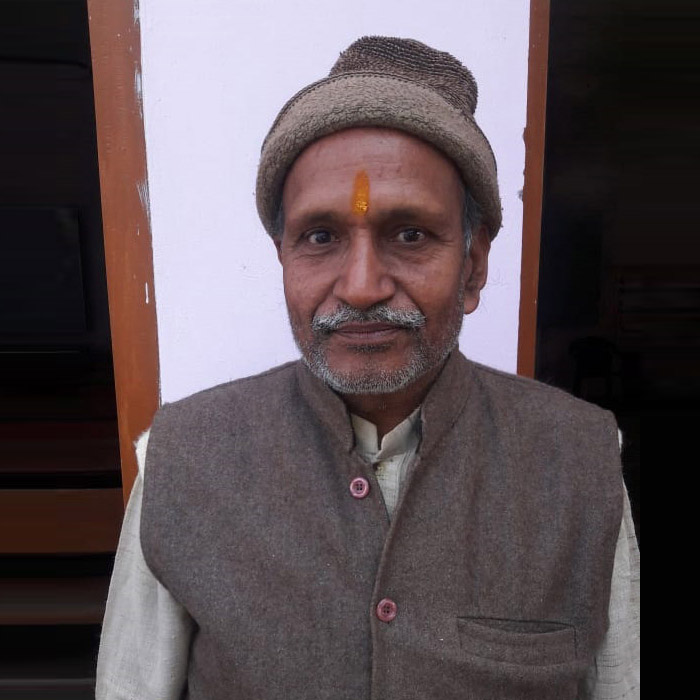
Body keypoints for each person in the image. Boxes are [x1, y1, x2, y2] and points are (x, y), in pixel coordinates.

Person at [96, 36, 639, 700]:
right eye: (320, 237)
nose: (360, 287)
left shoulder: (579, 461)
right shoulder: (183, 458)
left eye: (410, 234)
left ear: (473, 266)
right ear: (283, 257)